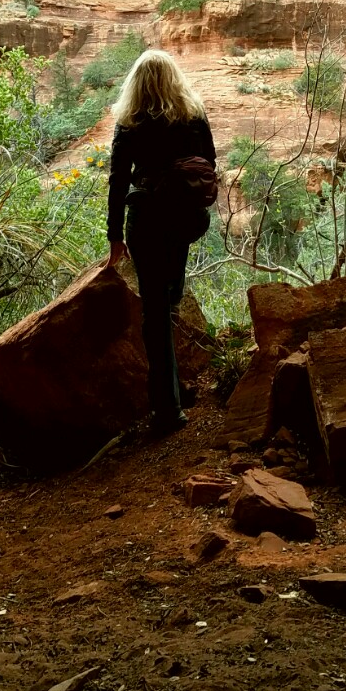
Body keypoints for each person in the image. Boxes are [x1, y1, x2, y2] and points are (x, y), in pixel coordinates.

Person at [105, 49, 216, 435]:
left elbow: (119, 180)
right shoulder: (192, 115)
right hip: (184, 218)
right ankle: (176, 390)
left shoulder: (130, 122)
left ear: (136, 83)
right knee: (170, 297)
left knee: (155, 310)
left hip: (148, 221)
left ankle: (167, 409)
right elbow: (210, 165)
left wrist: (114, 236)